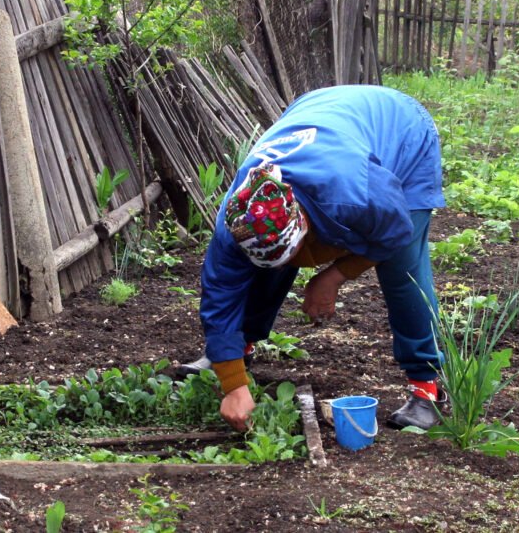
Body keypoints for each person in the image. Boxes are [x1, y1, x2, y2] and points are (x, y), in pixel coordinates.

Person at [175, 85, 446, 433]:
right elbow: (220, 297)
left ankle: (427, 388)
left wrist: (333, 277)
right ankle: (236, 350)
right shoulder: (237, 222)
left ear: (303, 226)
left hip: (402, 129)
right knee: (262, 266)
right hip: (320, 110)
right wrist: (234, 384)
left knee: (401, 271)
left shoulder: (354, 196)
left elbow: (395, 233)